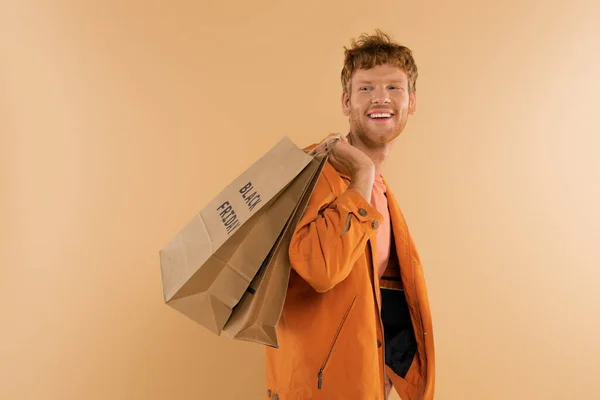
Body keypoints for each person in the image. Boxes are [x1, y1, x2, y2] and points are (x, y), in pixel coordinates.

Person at [264, 30, 435, 400]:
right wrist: (360, 173)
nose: (381, 98)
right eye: (366, 88)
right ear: (345, 102)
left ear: (412, 101)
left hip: (362, 386)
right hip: (312, 390)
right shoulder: (313, 174)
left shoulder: (382, 192)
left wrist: (385, 373)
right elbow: (321, 269)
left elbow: (380, 296)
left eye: (394, 87)